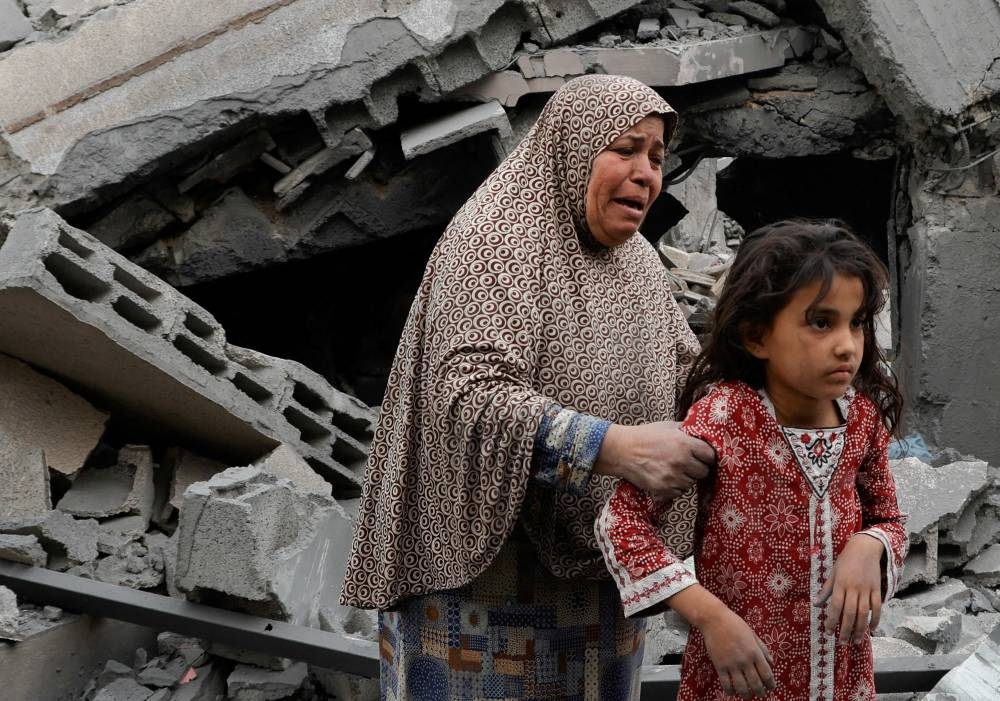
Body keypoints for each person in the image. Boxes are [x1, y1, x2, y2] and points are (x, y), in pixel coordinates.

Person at [340, 74, 715, 700]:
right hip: (478, 587)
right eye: (624, 149)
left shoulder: (638, 263)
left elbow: (690, 375)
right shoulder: (497, 239)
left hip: (598, 580)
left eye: (656, 156)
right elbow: (467, 393)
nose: (646, 172)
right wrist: (612, 448)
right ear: (572, 147)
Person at [595, 220, 909, 701]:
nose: (847, 344)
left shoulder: (862, 420)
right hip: (738, 684)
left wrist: (870, 546)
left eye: (857, 322)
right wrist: (709, 616)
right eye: (821, 322)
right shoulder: (725, 416)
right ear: (757, 337)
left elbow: (889, 518)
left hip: (842, 682)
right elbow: (620, 523)